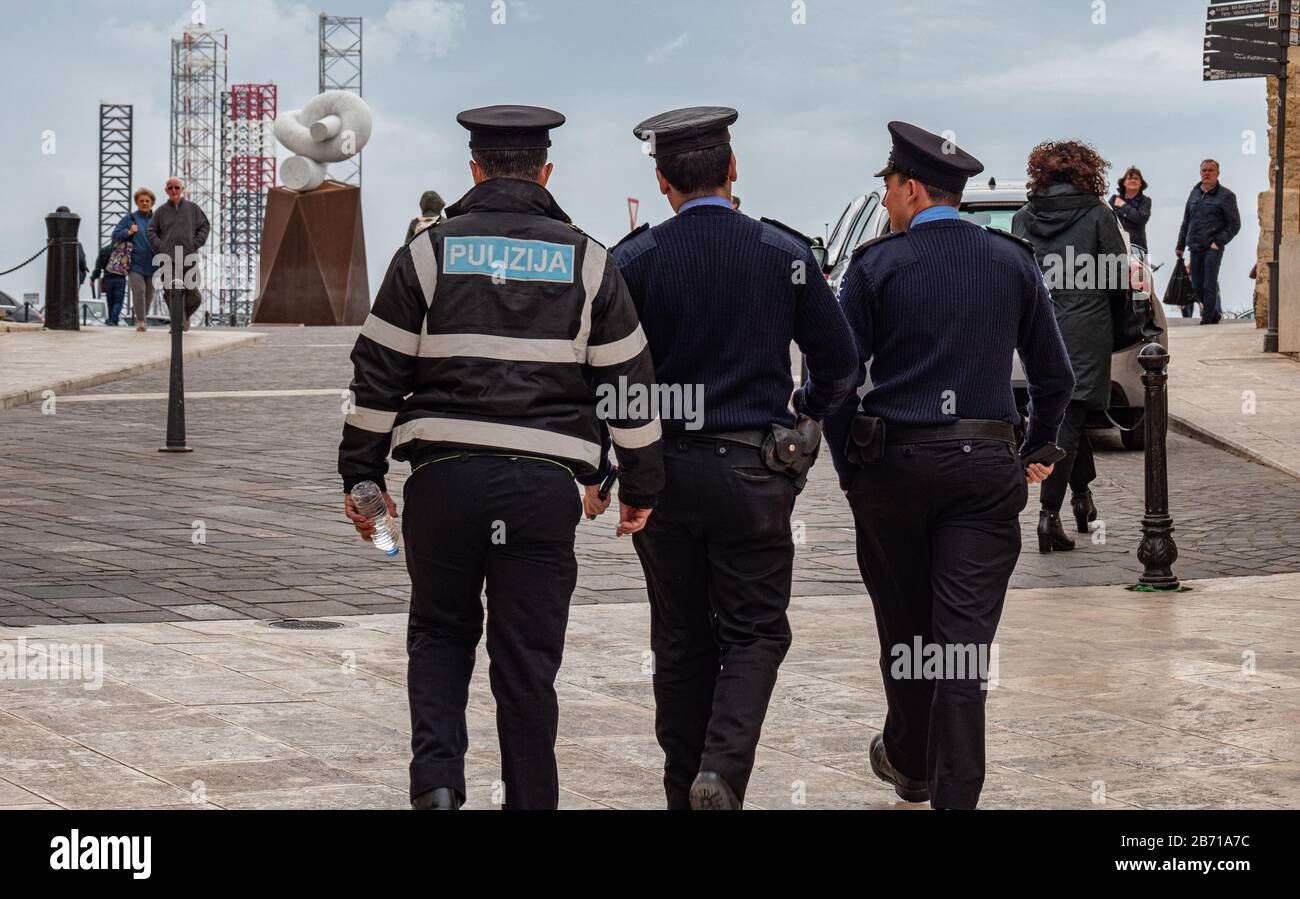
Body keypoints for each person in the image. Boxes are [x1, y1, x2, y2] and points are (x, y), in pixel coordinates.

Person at [338, 105, 664, 811]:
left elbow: (375, 376)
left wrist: (362, 478)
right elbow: (629, 385)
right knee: (526, 661)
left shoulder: (426, 252)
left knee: (440, 632)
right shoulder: (588, 259)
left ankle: (438, 783)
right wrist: (639, 481)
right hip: (542, 489)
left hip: (442, 482)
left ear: (474, 170)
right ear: (545, 173)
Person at [612, 106, 858, 811]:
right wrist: (802, 415)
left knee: (680, 638)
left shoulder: (634, 261)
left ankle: (682, 786)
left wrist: (611, 467)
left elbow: (607, 375)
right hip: (755, 472)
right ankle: (719, 771)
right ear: (735, 170)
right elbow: (840, 367)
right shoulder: (784, 253)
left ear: (662, 182)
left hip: (663, 475)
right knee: (755, 631)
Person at [825, 122, 1073, 809]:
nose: (885, 200)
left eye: (887, 187)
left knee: (903, 629)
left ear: (909, 188)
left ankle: (909, 760)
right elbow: (1056, 377)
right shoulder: (1010, 261)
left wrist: (852, 469)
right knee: (961, 649)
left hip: (893, 469)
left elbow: (839, 378)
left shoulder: (877, 265)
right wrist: (1036, 447)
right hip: (984, 470)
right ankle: (949, 793)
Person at [1013, 140, 1128, 553]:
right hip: (1086, 325)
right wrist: (1122, 326)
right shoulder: (1099, 214)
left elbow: (1022, 276)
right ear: (1087, 172)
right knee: (1070, 418)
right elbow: (1117, 279)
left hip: (1041, 324)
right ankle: (1049, 517)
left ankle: (1083, 498)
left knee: (1069, 415)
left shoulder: (1024, 218)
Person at [1176, 160, 1240, 325]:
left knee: (1208, 283)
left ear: (1218, 173)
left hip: (1213, 247)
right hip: (1195, 245)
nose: (1207, 173)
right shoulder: (1195, 193)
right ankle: (1214, 315)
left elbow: (1234, 224)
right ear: (1200, 172)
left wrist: (1218, 241)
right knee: (1196, 286)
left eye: (1211, 170)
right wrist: (1180, 244)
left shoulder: (1226, 196)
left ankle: (1206, 320)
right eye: (1204, 170)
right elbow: (1186, 220)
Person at [147, 177, 209, 332]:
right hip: (168, 258)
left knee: (194, 294)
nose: (173, 190)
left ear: (182, 189)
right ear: (166, 191)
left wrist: (196, 242)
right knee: (170, 290)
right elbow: (151, 231)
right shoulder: (160, 211)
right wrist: (161, 246)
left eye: (176, 187)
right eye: (170, 188)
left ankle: (182, 317)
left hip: (189, 257)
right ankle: (177, 324)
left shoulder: (193, 209)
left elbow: (204, 226)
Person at [112, 188, 161, 331]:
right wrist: (128, 232)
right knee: (139, 291)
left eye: (147, 201)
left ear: (152, 203)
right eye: (141, 201)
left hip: (153, 264)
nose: (144, 203)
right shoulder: (130, 219)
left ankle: (142, 318)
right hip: (135, 264)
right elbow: (115, 235)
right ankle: (141, 322)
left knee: (149, 294)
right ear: (137, 203)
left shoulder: (157, 219)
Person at [1109, 165, 1151, 251]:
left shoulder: (1146, 201)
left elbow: (1141, 218)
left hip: (1138, 248)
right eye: (1129, 178)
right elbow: (1106, 218)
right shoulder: (1114, 199)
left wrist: (1123, 206)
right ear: (1123, 182)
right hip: (1116, 246)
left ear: (1141, 184)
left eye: (1136, 178)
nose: (1132, 180)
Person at [89, 242, 128, 326]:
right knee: (118, 301)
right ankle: (113, 320)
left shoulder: (104, 250)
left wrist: (93, 278)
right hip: (120, 279)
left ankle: (111, 319)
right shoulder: (124, 251)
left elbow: (98, 266)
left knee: (110, 301)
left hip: (108, 279)